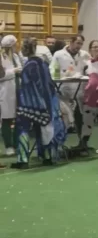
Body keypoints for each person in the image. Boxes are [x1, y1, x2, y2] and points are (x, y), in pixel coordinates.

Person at [12, 37, 66, 168]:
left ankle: (23, 160)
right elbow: (48, 84)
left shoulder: (28, 66)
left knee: (23, 128)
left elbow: (27, 85)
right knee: (43, 128)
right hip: (45, 103)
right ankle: (47, 157)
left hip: (28, 103)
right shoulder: (43, 64)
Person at [49, 34, 89, 148]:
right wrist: (59, 76)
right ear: (71, 42)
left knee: (81, 118)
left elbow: (89, 67)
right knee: (65, 118)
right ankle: (60, 145)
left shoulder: (84, 54)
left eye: (81, 44)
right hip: (63, 91)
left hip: (80, 90)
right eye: (77, 43)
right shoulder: (59, 54)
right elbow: (52, 70)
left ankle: (83, 144)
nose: (79, 46)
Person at [0, 34, 23, 156]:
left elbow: (21, 67)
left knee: (18, 118)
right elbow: (1, 75)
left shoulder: (16, 56)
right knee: (7, 119)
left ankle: (17, 144)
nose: (17, 45)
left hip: (18, 89)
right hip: (6, 91)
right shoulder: (1, 57)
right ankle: (9, 146)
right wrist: (13, 71)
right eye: (15, 43)